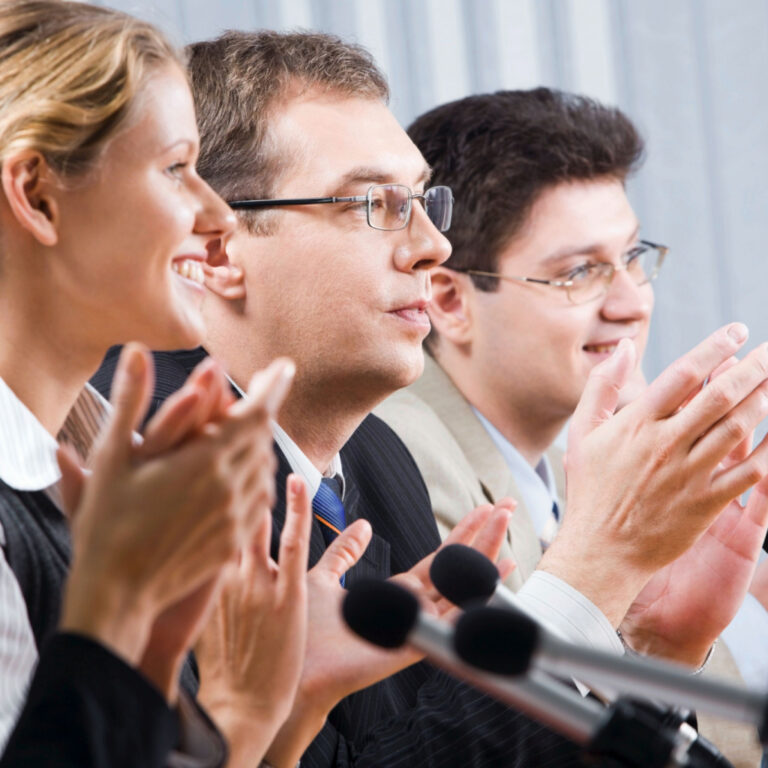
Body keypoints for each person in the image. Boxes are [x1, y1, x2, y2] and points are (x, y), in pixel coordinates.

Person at [94, 30, 768, 767]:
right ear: (218, 250)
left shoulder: (373, 458)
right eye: (376, 205)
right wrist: (595, 567)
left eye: (422, 202)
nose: (433, 246)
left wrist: (653, 644)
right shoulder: (143, 467)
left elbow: (441, 742)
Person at [374, 89, 768, 765]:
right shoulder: (401, 454)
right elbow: (488, 740)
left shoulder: (570, 466)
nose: (630, 303)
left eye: (632, 256)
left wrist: (670, 644)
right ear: (448, 299)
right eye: (579, 272)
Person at [0, 2, 331, 764]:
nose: (218, 215)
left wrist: (246, 715)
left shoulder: (109, 479)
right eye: (178, 169)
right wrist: (118, 610)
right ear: (38, 194)